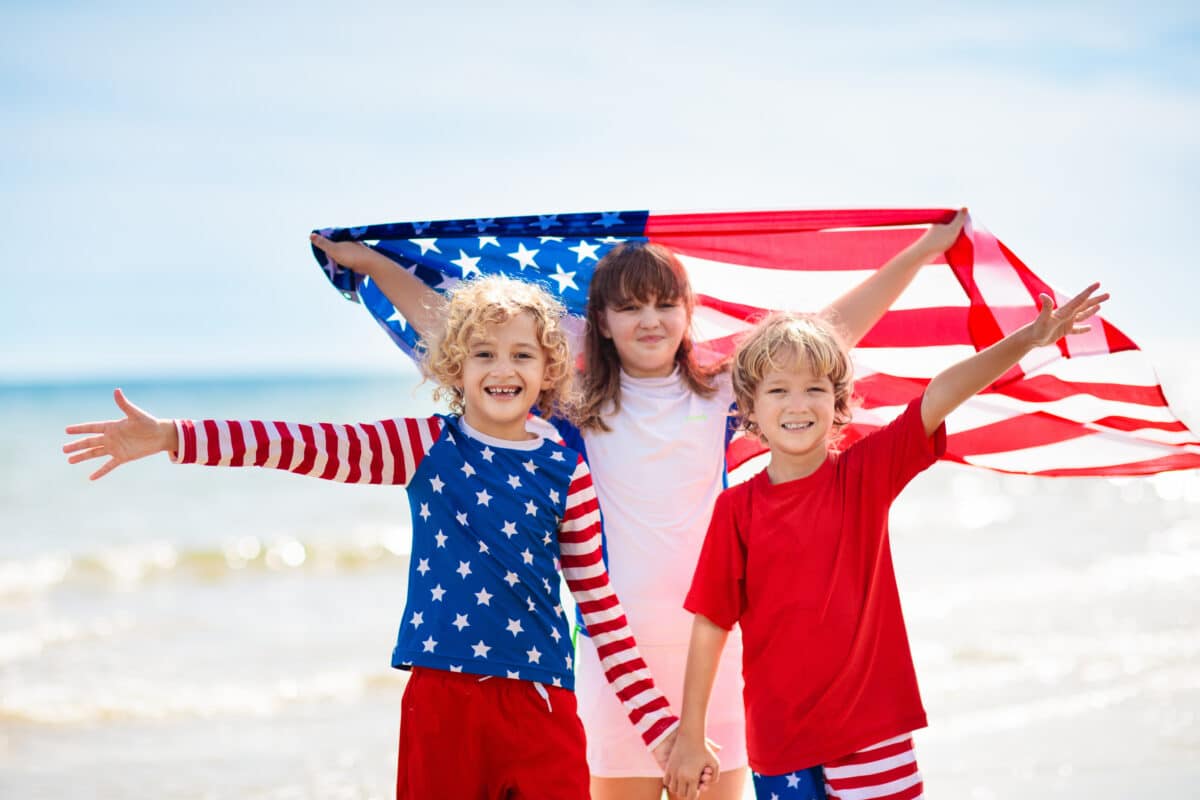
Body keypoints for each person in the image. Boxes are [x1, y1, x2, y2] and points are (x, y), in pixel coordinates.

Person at [309, 208, 968, 800]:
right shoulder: (576, 401)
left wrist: (916, 252)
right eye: (629, 308)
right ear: (601, 320)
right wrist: (370, 264)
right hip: (613, 663)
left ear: (688, 311)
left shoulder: (718, 395)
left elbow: (833, 331)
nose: (648, 320)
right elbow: (456, 327)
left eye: (663, 304)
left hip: (716, 661)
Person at [62, 275, 702, 800]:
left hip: (541, 701)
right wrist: (175, 436)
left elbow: (601, 611)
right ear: (455, 365)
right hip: (442, 698)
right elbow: (302, 446)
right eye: (484, 353)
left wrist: (664, 732)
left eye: (521, 355)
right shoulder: (427, 446)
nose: (501, 369)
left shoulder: (565, 468)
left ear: (547, 370)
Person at [663, 283, 1108, 800]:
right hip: (779, 743)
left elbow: (940, 393)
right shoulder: (736, 509)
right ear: (751, 407)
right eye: (778, 390)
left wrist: (1028, 339)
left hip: (872, 733)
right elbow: (711, 622)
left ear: (838, 400)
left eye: (814, 389)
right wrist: (692, 733)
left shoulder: (865, 474)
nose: (797, 404)